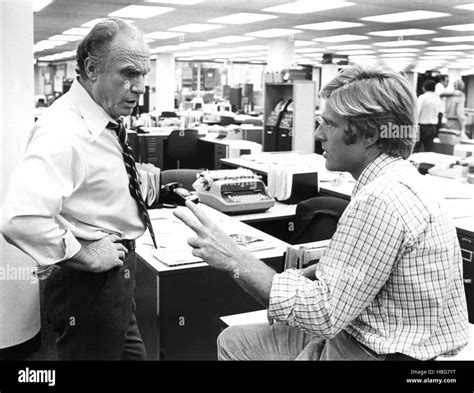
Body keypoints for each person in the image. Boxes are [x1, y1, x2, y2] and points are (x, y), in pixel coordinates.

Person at [174, 65, 470, 361]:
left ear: (367, 135)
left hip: (375, 352)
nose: (318, 134)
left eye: (329, 124)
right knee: (236, 340)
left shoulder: (379, 200)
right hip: (396, 339)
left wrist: (233, 258)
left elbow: (324, 314)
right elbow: (375, 267)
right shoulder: (404, 181)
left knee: (236, 343)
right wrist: (313, 272)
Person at [2, 18, 152, 360]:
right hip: (89, 284)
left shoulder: (100, 118)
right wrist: (83, 254)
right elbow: (20, 218)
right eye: (128, 73)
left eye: (143, 75)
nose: (140, 87)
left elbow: (92, 185)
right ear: (91, 68)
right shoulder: (63, 131)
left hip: (116, 274)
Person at [414, 79, 443, 152]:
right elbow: (440, 113)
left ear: (424, 88)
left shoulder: (422, 97)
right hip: (433, 127)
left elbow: (416, 112)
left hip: (421, 127)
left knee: (415, 149)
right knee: (429, 150)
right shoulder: (438, 98)